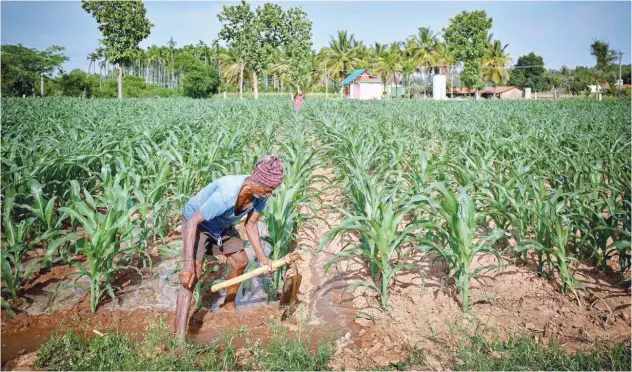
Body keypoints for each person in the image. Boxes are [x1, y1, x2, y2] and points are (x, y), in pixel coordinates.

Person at [174, 155, 285, 339]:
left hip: (221, 224)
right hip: (197, 222)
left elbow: (250, 225)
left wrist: (264, 260)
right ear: (256, 183)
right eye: (269, 189)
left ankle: (228, 305)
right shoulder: (226, 194)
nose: (270, 193)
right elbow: (193, 221)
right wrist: (187, 265)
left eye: (272, 189)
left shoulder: (259, 197)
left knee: (241, 261)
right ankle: (178, 337)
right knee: (192, 276)